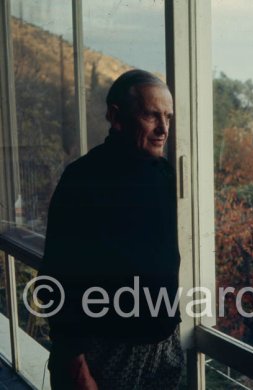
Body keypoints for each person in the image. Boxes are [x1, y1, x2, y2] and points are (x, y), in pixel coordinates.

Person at [39, 69, 184, 389]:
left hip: (164, 346)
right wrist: (76, 365)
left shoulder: (163, 174)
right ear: (116, 117)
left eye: (168, 117)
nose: (163, 129)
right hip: (105, 352)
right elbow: (55, 278)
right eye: (151, 116)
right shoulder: (83, 180)